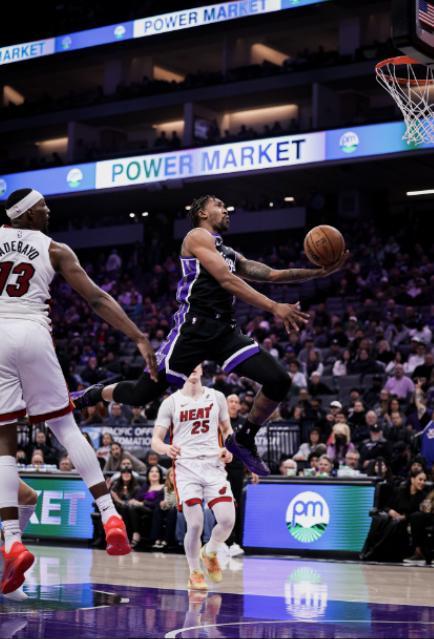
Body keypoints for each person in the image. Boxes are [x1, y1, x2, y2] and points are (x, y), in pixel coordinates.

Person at [75, 195, 348, 476]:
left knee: (279, 380)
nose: (225, 210)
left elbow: (272, 274)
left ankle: (244, 438)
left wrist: (318, 272)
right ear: (202, 213)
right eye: (218, 205)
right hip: (194, 328)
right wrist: (274, 307)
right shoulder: (196, 236)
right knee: (141, 394)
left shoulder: (227, 252)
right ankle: (92, 394)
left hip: (224, 331)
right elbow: (226, 280)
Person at [0, 189, 157, 594]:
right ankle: (110, 513)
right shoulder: (55, 249)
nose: (49, 211)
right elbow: (96, 299)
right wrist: (138, 336)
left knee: (4, 441)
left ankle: (12, 542)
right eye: (42, 207)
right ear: (26, 215)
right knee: (67, 427)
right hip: (32, 331)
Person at [151, 364, 235, 591]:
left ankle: (211, 551)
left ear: (201, 369)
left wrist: (229, 449)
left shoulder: (217, 397)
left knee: (227, 520)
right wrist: (166, 448)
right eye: (189, 364)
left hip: (214, 465)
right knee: (195, 524)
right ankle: (194, 571)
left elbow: (227, 430)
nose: (192, 368)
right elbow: (156, 440)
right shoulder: (171, 402)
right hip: (186, 468)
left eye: (196, 364)